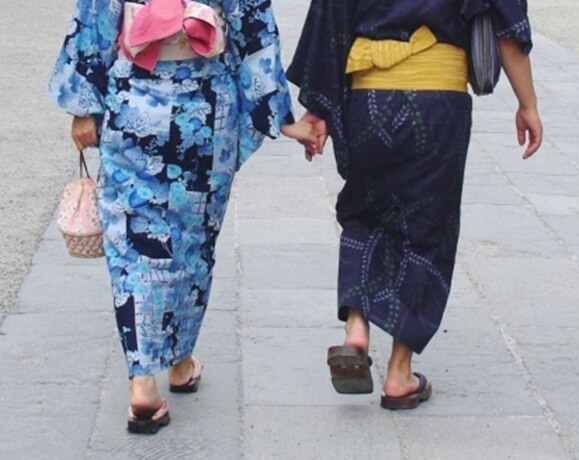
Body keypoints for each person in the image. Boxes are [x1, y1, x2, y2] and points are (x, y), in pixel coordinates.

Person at [48, 0, 316, 434]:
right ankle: (178, 362)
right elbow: (253, 28)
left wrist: (83, 107)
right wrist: (281, 117)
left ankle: (144, 380)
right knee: (193, 242)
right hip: (204, 109)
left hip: (134, 106)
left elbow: (94, 20)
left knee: (133, 244)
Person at [286, 0, 543, 409]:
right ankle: (399, 373)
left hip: (368, 98)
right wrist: (527, 104)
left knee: (364, 215)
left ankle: (356, 329)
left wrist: (319, 108)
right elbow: (507, 26)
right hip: (436, 99)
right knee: (426, 230)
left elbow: (328, 16)